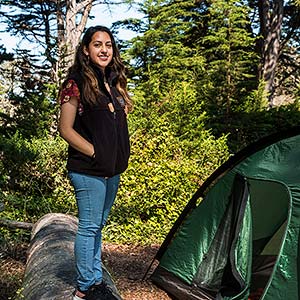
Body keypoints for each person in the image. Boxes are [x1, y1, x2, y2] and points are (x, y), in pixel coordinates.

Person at [58, 25, 132, 300]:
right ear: (86, 51)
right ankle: (85, 288)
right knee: (89, 226)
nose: (104, 50)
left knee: (98, 226)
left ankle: (96, 281)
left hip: (111, 172)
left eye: (108, 45)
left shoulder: (112, 83)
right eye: (98, 44)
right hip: (88, 170)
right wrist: (95, 153)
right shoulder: (75, 83)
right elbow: (65, 129)